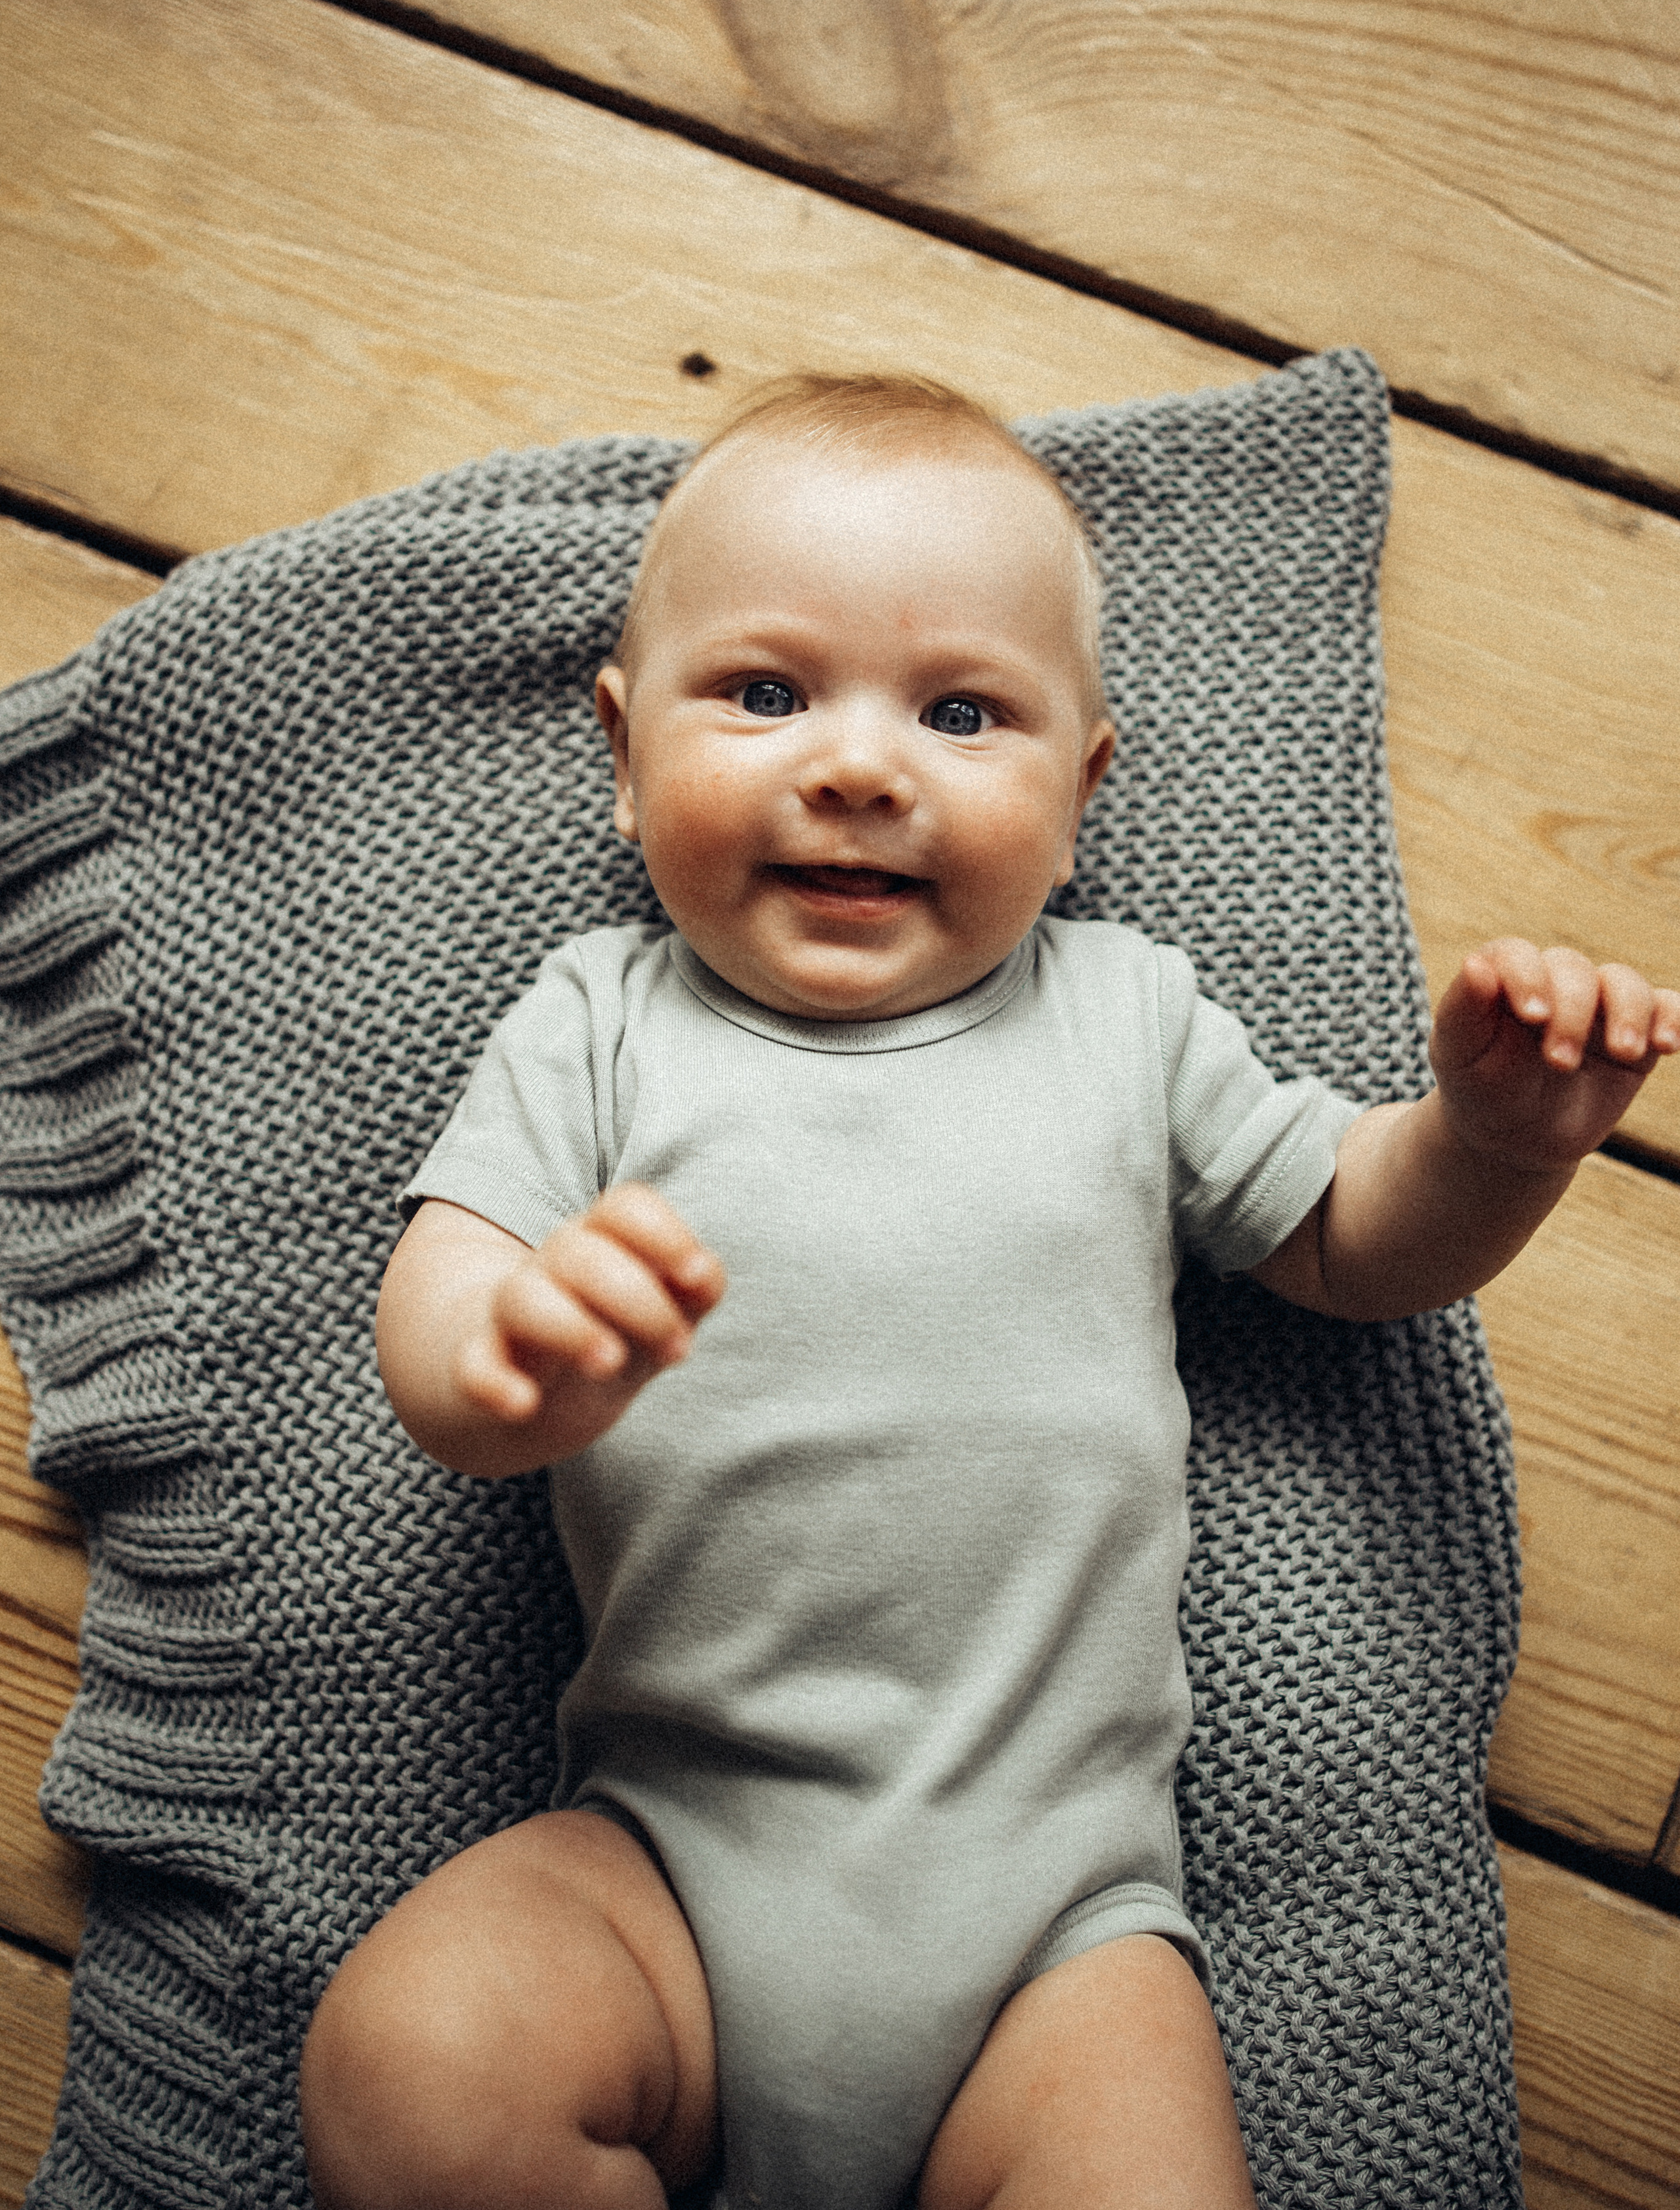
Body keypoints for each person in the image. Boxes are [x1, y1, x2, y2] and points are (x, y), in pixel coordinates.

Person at [299, 376, 1679, 2210]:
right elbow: (444, 1285)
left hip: (1060, 1935)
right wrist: (510, 1367)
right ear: (623, 756)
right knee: (412, 2066)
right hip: (666, 1864)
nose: (860, 766)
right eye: (767, 694)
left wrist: (1493, 1146)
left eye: (961, 713)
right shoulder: (601, 1018)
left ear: (1081, 788)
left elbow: (1353, 1240)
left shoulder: (1123, 1019)